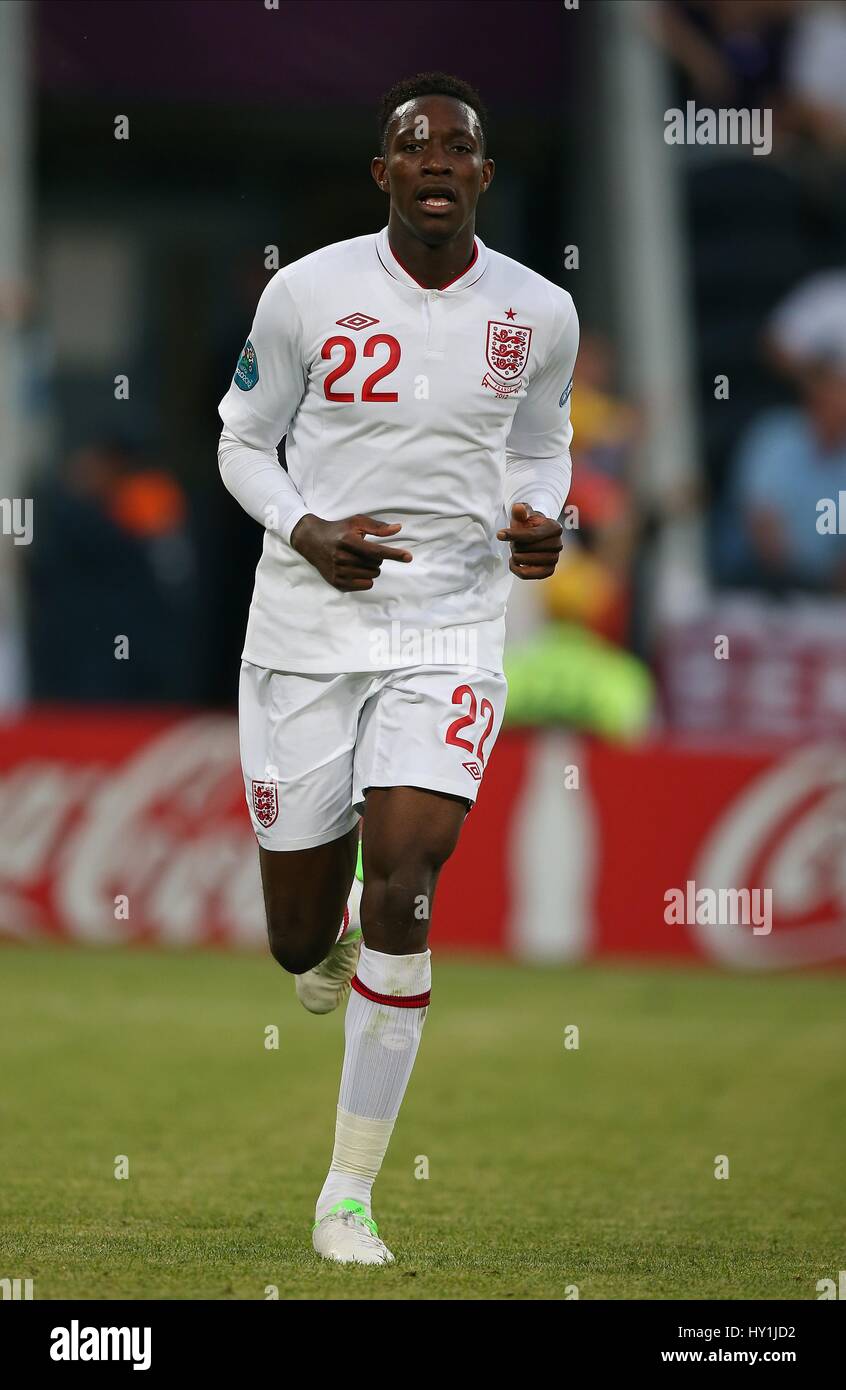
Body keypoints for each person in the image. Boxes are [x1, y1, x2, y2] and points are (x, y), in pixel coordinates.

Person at [217, 72, 578, 1265]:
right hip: (308, 634)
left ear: (484, 173)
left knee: (408, 875)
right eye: (412, 146)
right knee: (293, 935)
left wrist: (544, 519)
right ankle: (317, 941)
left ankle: (348, 1195)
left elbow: (541, 443)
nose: (436, 160)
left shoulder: (540, 311)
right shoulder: (306, 292)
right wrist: (307, 529)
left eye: (458, 147)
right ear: (383, 174)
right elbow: (240, 441)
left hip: (450, 628)